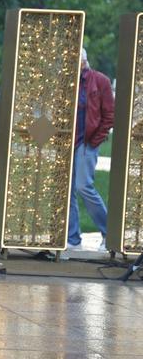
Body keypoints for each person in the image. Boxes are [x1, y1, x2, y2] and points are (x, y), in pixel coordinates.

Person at [67, 48, 114, 251]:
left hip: (87, 142)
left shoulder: (100, 81)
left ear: (83, 61)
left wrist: (96, 140)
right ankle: (72, 238)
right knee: (67, 191)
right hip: (68, 143)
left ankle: (110, 233)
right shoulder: (67, 83)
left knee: (83, 186)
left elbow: (109, 115)